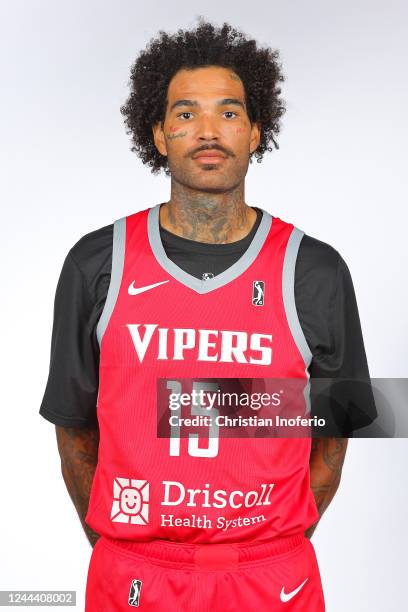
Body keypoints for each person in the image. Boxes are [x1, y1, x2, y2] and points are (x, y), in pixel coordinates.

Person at [39, 20, 375, 611]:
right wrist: (124, 545)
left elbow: (336, 431)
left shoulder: (314, 270)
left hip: (272, 576)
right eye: (186, 113)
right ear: (159, 133)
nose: (208, 131)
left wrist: (270, 542)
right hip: (136, 573)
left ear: (254, 132)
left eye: (228, 112)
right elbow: (73, 429)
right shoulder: (97, 263)